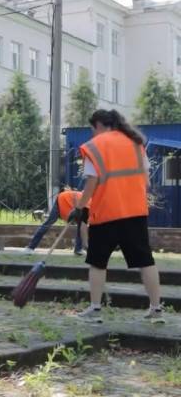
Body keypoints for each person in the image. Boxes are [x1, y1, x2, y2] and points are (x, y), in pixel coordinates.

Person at [69, 109, 164, 324]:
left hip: (106, 214)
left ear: (99, 125)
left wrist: (80, 207)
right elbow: (146, 181)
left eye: (92, 128)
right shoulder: (135, 143)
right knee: (146, 261)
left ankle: (94, 309)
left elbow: (91, 183)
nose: (92, 133)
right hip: (135, 212)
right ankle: (156, 309)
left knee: (97, 262)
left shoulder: (95, 147)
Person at [24, 188, 89, 256]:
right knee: (48, 224)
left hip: (72, 206)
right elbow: (77, 195)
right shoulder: (91, 204)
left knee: (81, 226)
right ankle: (30, 248)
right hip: (62, 200)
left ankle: (78, 249)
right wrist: (75, 209)